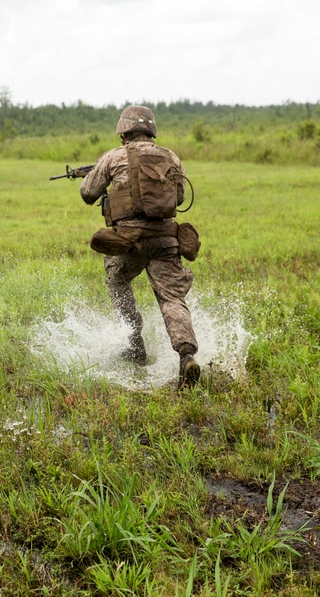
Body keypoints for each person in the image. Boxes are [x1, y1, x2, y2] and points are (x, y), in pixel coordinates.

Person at [78, 105, 200, 389]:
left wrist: (97, 172)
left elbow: (87, 193)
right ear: (151, 130)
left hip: (130, 240)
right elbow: (179, 198)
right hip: (167, 239)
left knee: (117, 279)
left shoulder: (113, 156)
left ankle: (134, 343)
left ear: (124, 131)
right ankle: (187, 355)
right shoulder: (171, 157)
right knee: (172, 298)